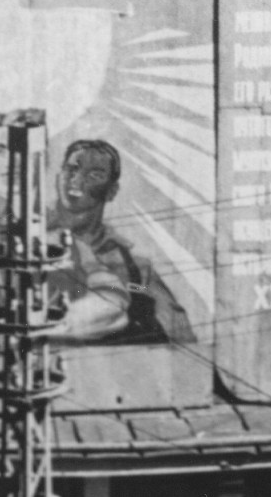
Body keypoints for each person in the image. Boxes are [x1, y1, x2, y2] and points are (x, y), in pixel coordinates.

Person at [48, 135, 198, 347]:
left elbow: (183, 340)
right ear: (59, 177)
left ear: (111, 191)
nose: (77, 179)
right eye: (72, 169)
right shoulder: (30, 244)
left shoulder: (136, 269)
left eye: (94, 174)